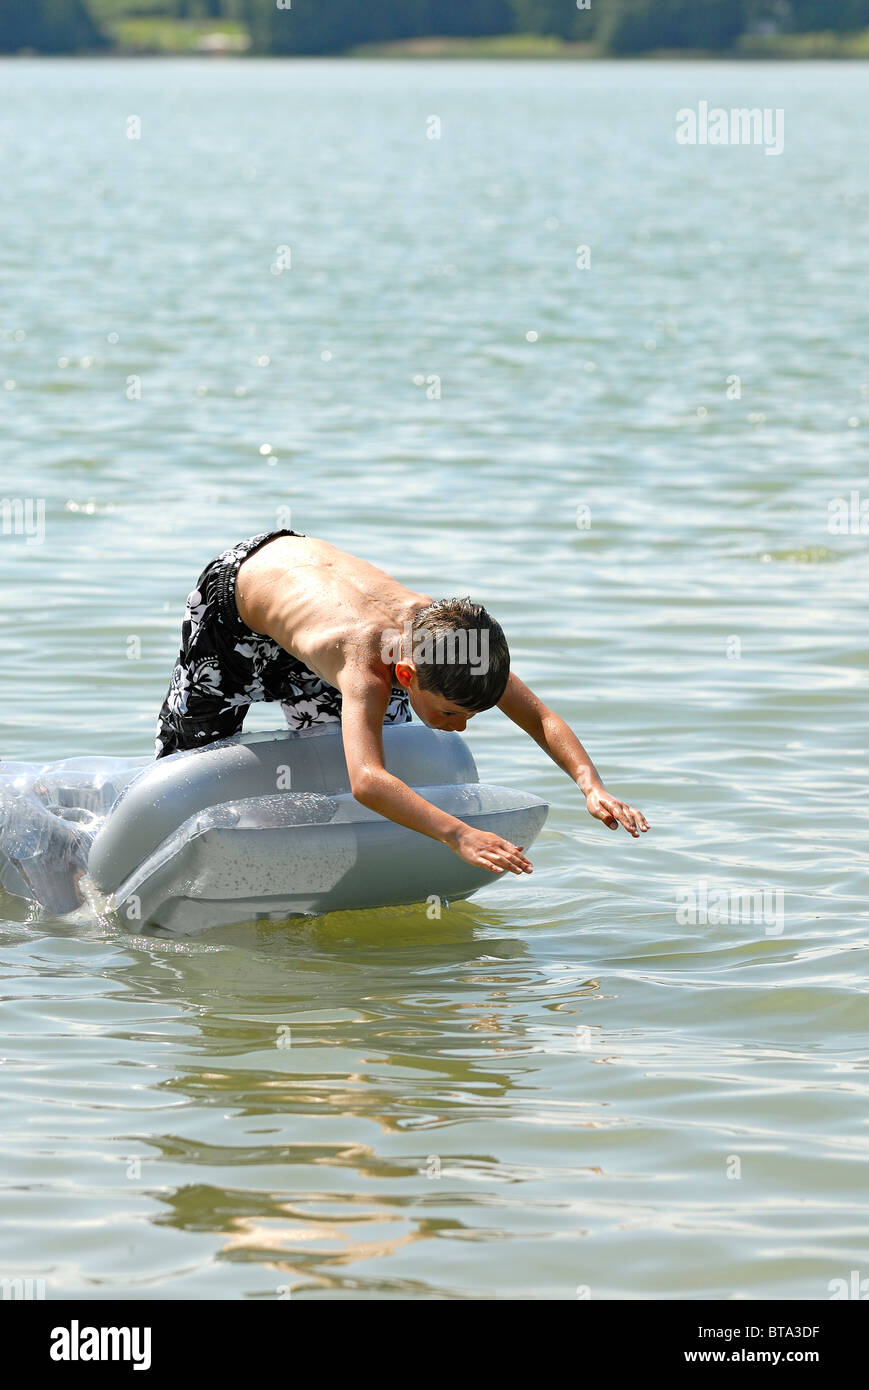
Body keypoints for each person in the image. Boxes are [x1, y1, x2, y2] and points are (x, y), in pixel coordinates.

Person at [155, 528, 649, 876]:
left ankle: (309, 858)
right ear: (406, 675)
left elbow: (539, 715)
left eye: (472, 714)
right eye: (453, 713)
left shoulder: (458, 646)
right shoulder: (367, 670)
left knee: (346, 758)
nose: (459, 728)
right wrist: (461, 835)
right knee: (189, 760)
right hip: (236, 605)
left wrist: (592, 787)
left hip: (318, 618)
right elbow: (368, 781)